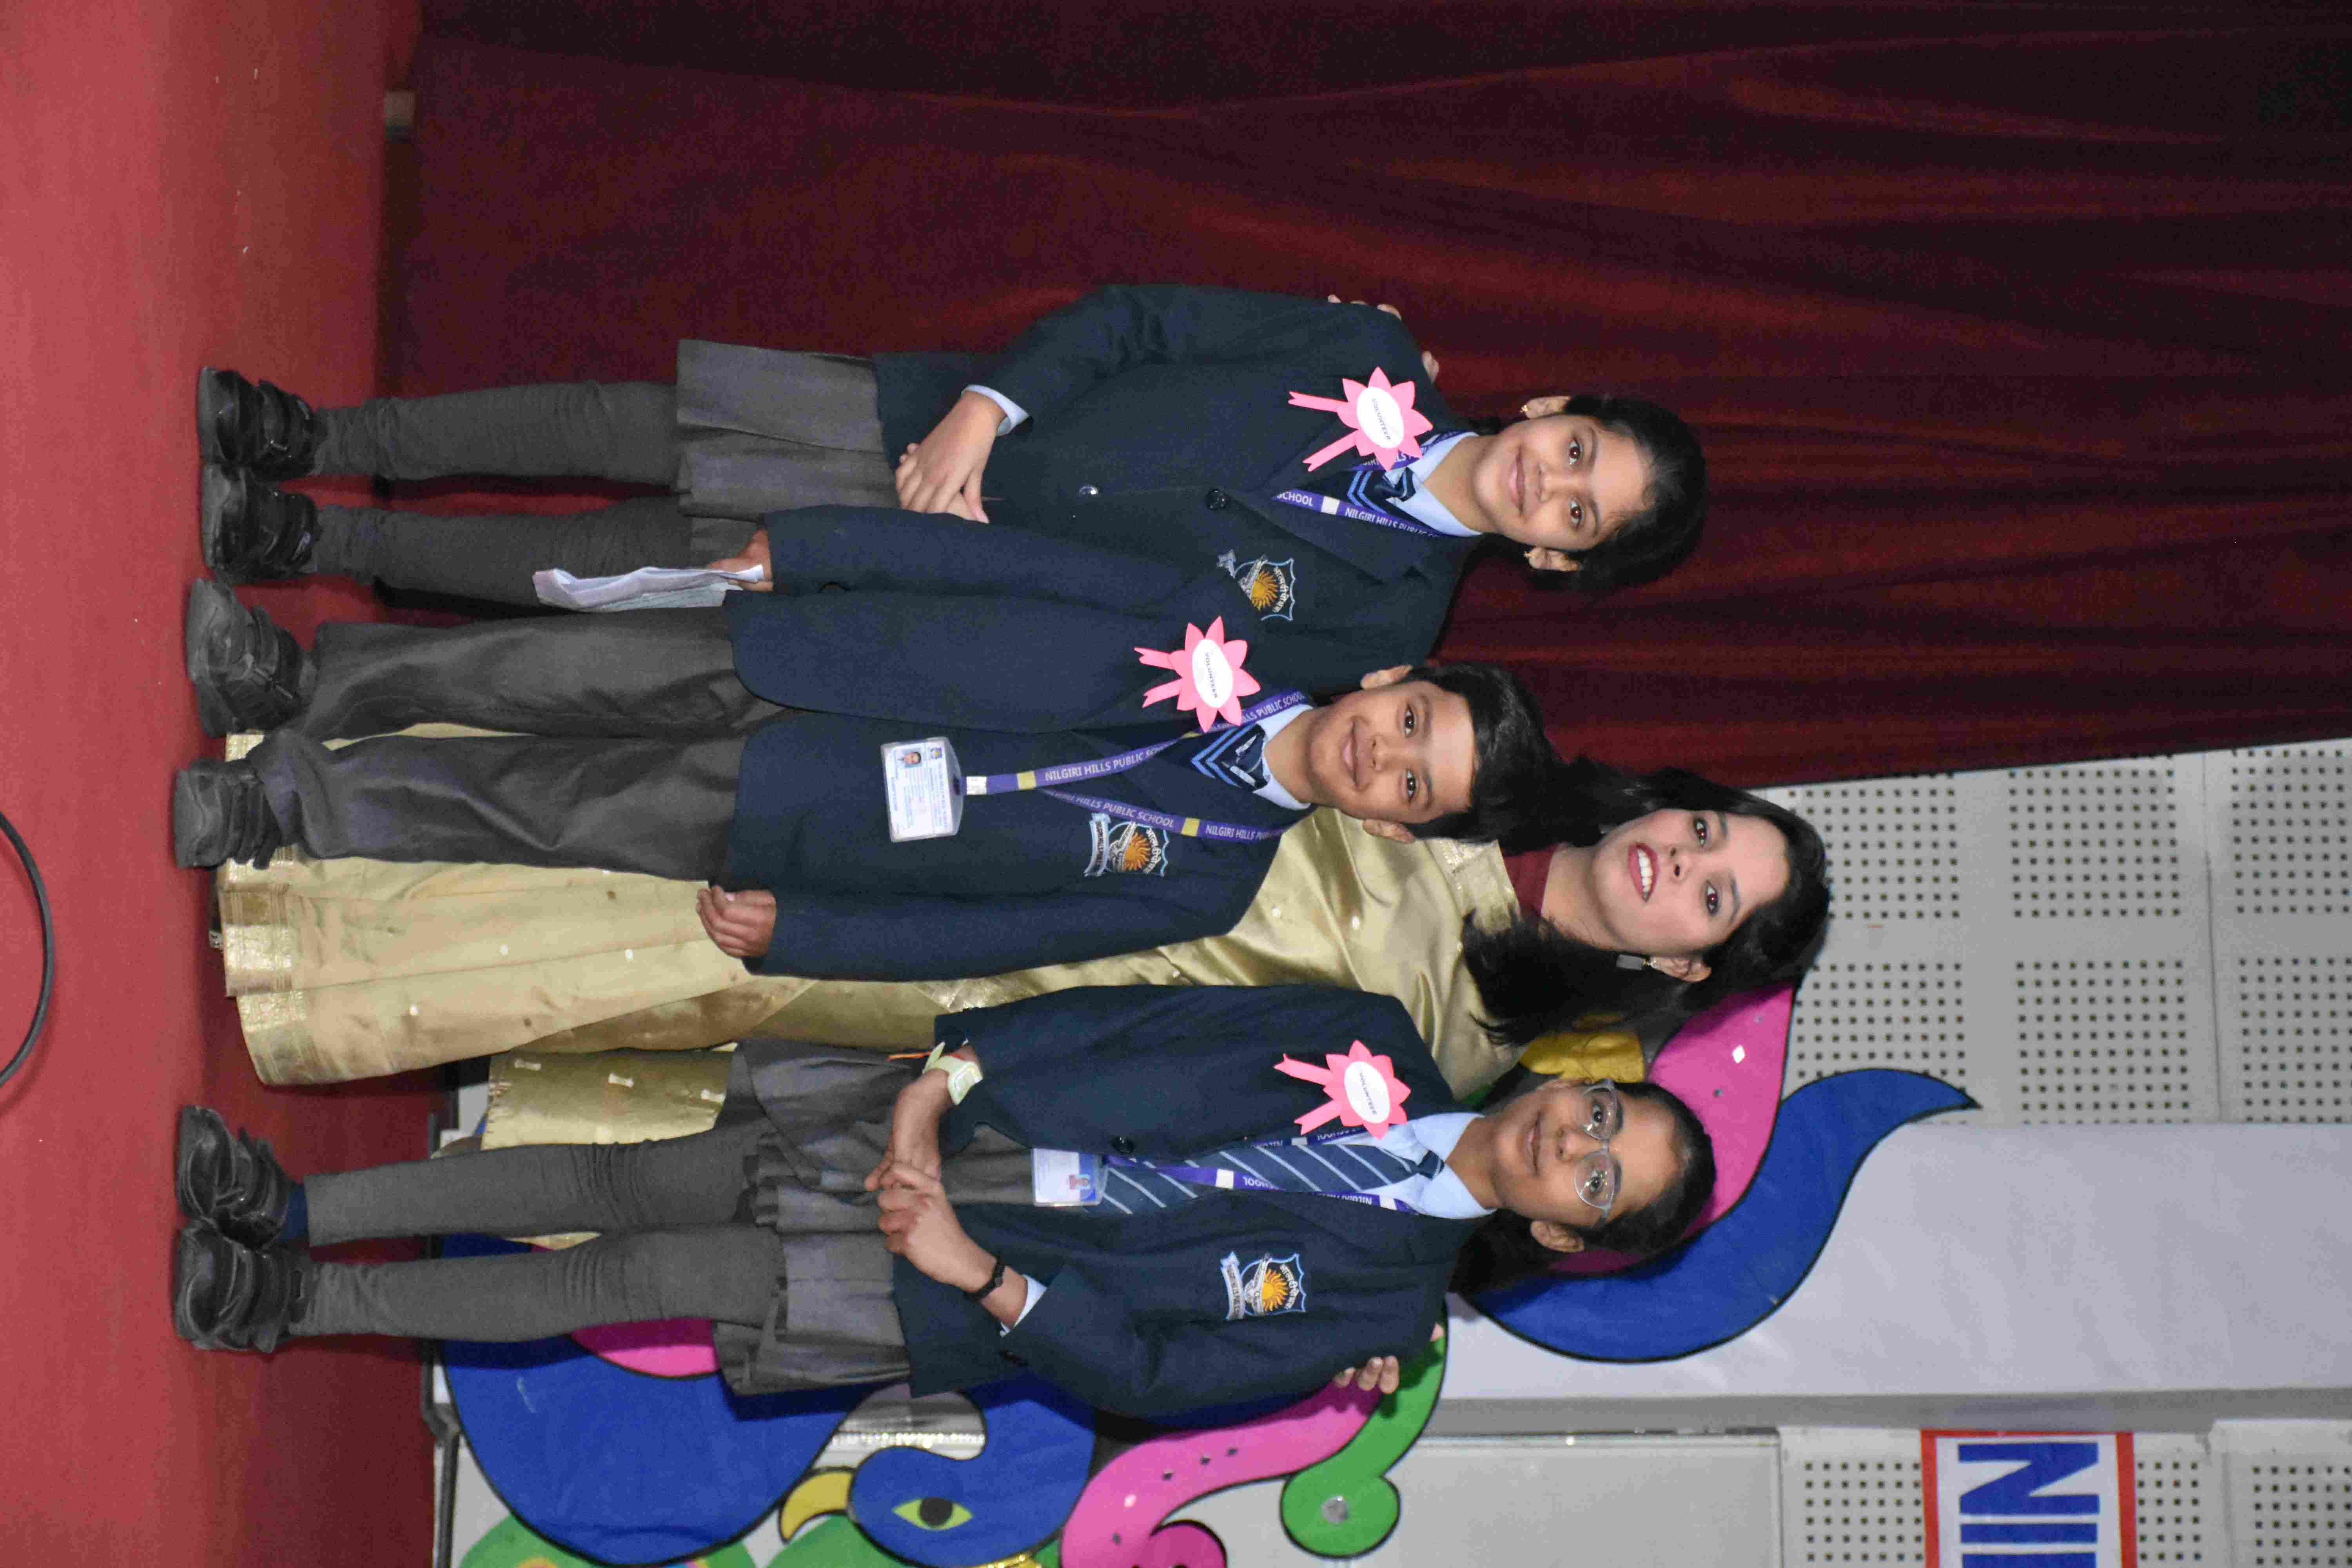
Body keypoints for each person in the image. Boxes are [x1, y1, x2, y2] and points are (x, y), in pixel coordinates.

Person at [170, 984, 1714, 1419]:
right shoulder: (1370, 1034)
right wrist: (942, 1078)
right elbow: (1135, 1018)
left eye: (1599, 1178)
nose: (1572, 1142)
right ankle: (292, 1204)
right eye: (1602, 1113)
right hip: (947, 1126)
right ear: (1574, 1080)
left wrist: (985, 1277)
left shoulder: (1382, 1310)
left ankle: (288, 1299)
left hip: (953, 1275)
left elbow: (1162, 1375)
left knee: (620, 1277)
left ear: (1566, 1233)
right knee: (611, 1175)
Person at [196, 285, 1708, 699]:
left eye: (1579, 514)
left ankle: (316, 535)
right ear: (1555, 409)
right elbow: (1141, 321)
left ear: (1558, 562)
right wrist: (990, 408)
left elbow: (1156, 650)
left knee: (627, 564)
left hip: (946, 565)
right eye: (1580, 450)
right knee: (620, 425)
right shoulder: (1362, 349)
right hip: (936, 410)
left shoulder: (1387, 632)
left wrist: (976, 561)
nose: (1551, 482)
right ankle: (317, 432)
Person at [171, 583, 1559, 980]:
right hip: (828, 657)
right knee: (542, 670)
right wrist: (832, 560)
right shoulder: (1227, 621)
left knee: (544, 810)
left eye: (1414, 788)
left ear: (1395, 831)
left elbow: (990, 938)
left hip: (819, 819)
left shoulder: (1211, 881)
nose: (1384, 755)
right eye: (1414, 721)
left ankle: (281, 809)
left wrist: (813, 935)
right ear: (1394, 679)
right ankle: (295, 684)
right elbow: (1008, 565)